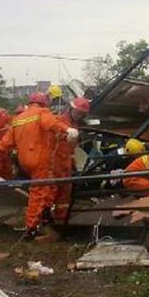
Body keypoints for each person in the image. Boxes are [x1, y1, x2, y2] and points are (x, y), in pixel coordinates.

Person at [0, 91, 77, 241]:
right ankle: (31, 229)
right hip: (40, 160)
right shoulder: (42, 113)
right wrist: (67, 130)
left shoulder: (18, 119)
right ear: (44, 103)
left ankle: (45, 217)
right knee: (39, 193)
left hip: (25, 162)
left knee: (44, 190)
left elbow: (6, 142)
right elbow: (51, 123)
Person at [53, 96, 90, 224]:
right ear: (71, 109)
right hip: (54, 163)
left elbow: (71, 149)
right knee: (51, 192)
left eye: (82, 114)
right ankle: (44, 221)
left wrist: (73, 164)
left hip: (65, 163)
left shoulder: (75, 124)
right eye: (78, 112)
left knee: (64, 195)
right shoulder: (59, 121)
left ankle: (61, 220)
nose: (79, 115)